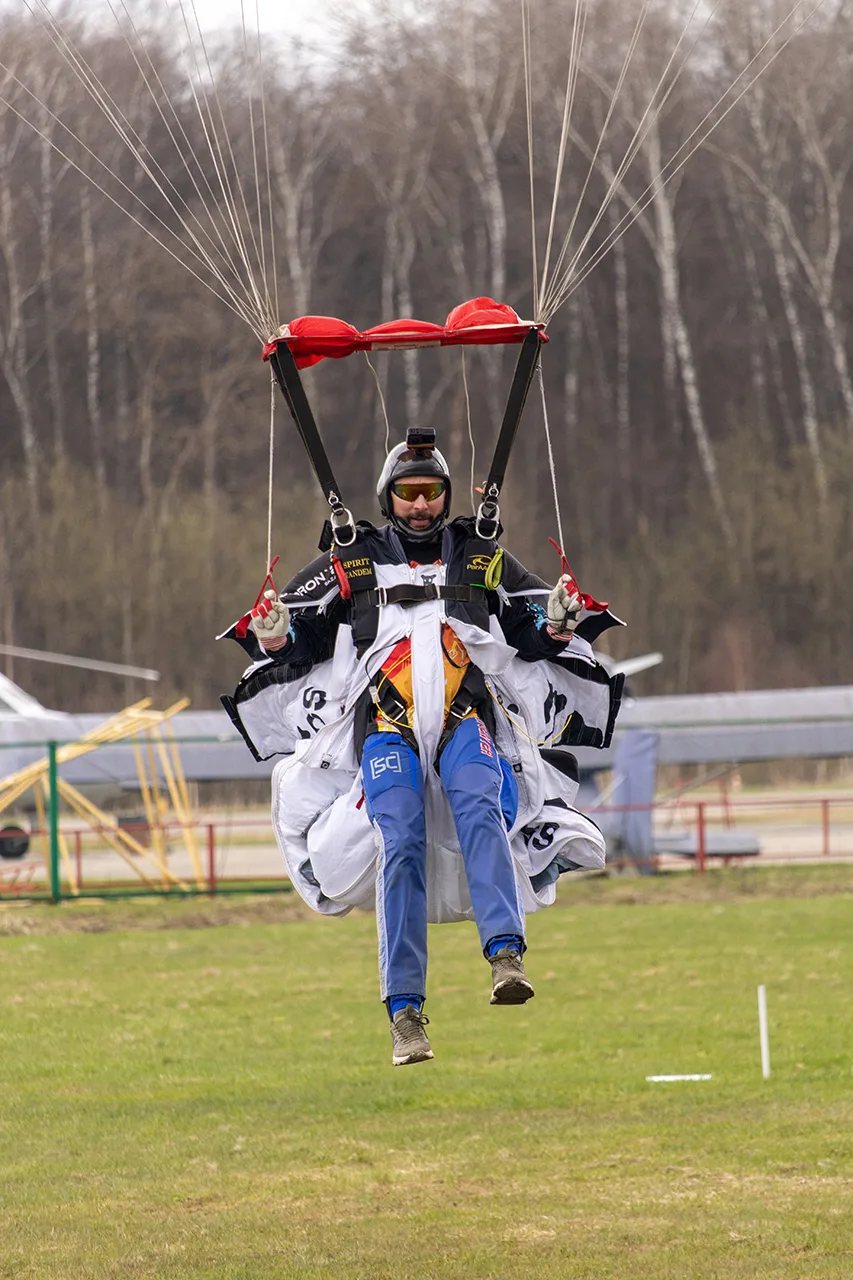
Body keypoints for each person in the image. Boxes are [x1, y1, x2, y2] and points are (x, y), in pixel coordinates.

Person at [222, 430, 623, 1066]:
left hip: (466, 718)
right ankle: (405, 1011)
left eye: (431, 492)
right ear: (389, 498)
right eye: (408, 493)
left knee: (480, 804)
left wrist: (556, 621)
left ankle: (506, 955)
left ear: (445, 496)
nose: (420, 505)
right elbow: (299, 634)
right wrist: (274, 635)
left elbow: (531, 626)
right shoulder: (353, 561)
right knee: (400, 837)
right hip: (387, 726)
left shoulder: (479, 557)